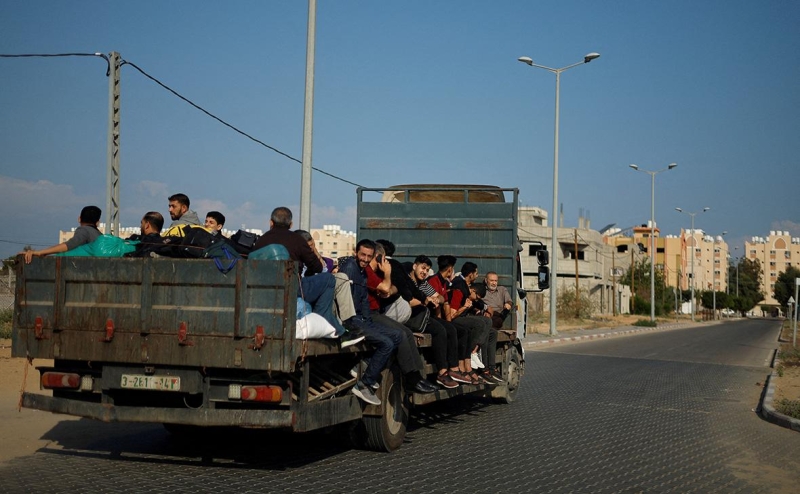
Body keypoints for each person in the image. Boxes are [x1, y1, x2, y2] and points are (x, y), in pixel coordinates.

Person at [252, 207, 363, 349]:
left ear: (271, 222)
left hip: (266, 288)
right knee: (329, 279)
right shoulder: (296, 240)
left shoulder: (261, 240)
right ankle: (324, 316)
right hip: (292, 287)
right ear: (291, 224)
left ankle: (329, 322)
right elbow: (317, 267)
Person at [363, 244, 438, 394]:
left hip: (376, 313)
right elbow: (385, 288)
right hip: (368, 315)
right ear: (379, 258)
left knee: (407, 333)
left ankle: (417, 376)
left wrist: (389, 287)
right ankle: (411, 378)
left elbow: (394, 288)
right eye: (384, 259)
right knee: (400, 334)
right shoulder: (368, 273)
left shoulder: (377, 273)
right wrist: (387, 275)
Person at [338, 239, 404, 405]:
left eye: (369, 256)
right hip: (351, 321)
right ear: (356, 253)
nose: (365, 259)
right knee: (387, 344)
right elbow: (347, 303)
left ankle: (367, 366)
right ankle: (364, 384)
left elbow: (364, 302)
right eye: (362, 255)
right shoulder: (351, 268)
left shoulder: (363, 272)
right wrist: (356, 324)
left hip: (361, 319)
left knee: (397, 335)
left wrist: (369, 324)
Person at [406, 255, 462, 389]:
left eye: (427, 270)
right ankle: (442, 372)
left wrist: (437, 299)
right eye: (422, 268)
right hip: (411, 318)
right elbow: (406, 301)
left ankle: (453, 368)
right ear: (415, 266)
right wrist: (424, 300)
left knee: (451, 328)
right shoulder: (408, 281)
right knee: (439, 331)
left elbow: (440, 297)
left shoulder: (424, 284)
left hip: (423, 316)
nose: (424, 272)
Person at [451, 262, 503, 384]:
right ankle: (473, 351)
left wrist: (486, 309)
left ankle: (490, 368)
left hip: (464, 316)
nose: (477, 275)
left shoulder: (467, 285)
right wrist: (466, 307)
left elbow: (478, 302)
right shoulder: (459, 285)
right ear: (470, 274)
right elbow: (453, 313)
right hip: (458, 318)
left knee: (491, 332)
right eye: (476, 273)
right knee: (481, 323)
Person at [20, 206, 101, 264]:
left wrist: (40, 252)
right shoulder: (99, 235)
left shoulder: (83, 230)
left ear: (79, 218)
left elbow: (69, 245)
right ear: (98, 222)